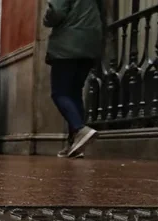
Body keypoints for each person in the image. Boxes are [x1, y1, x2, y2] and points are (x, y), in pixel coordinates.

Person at [44, 0, 104, 158]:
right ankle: (75, 144)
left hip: (68, 44)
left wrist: (46, 18)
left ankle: (79, 130)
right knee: (74, 92)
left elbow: (56, 12)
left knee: (59, 93)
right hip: (90, 43)